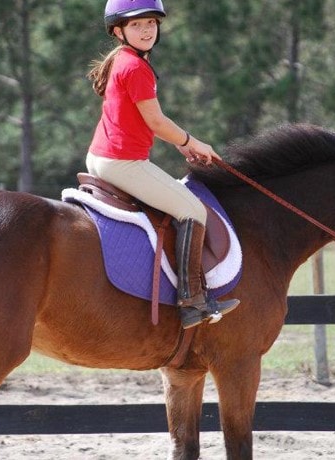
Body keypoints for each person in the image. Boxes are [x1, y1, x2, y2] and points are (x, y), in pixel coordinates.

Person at [86, 0, 239, 329]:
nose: (146, 31)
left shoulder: (122, 60)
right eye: (136, 25)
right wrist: (191, 142)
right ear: (118, 30)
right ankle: (192, 302)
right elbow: (156, 121)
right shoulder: (135, 67)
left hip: (101, 157)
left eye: (151, 24)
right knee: (193, 211)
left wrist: (183, 146)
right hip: (122, 163)